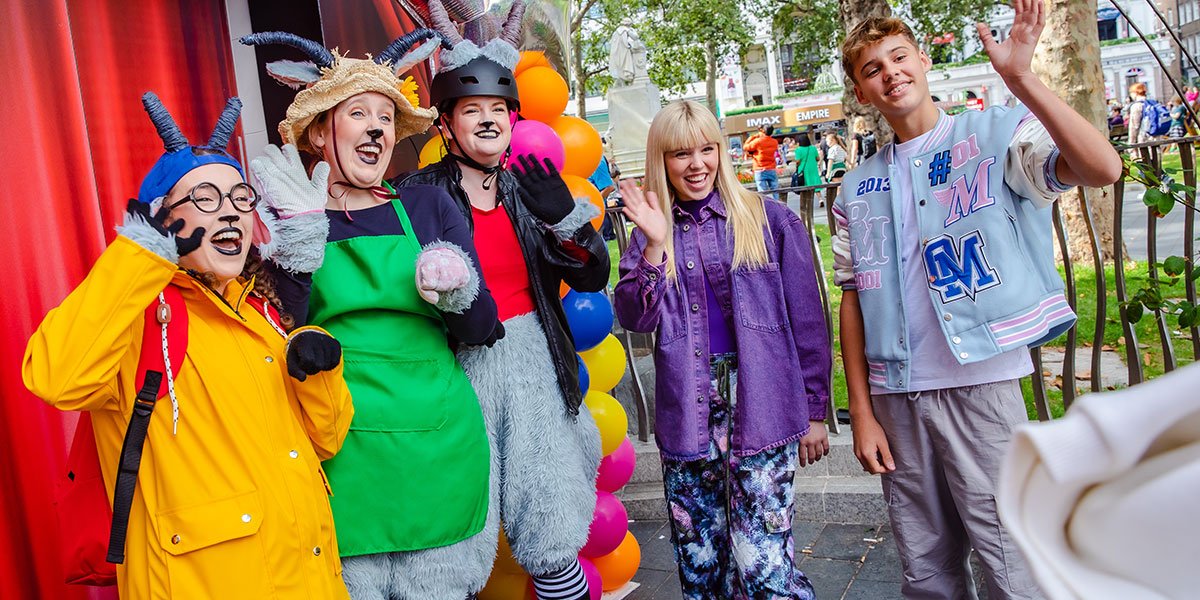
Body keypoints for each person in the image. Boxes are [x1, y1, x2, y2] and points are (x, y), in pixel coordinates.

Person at [833, 2, 1122, 598]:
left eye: (898, 56)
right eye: (870, 69)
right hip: (896, 400)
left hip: (982, 385)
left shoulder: (995, 135)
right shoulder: (856, 186)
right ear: (861, 93)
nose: (889, 73)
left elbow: (1102, 168)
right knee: (924, 565)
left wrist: (1021, 79)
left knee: (1009, 556)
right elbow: (855, 299)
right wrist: (861, 412)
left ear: (924, 60)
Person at [23, 92, 354, 599]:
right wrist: (139, 255)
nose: (227, 214)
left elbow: (325, 441)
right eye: (204, 199)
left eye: (239, 199)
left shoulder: (261, 313)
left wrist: (321, 373)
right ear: (160, 222)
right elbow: (56, 377)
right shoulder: (137, 318)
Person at [242, 29, 504, 598]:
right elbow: (274, 338)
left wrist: (458, 289)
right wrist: (296, 252)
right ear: (318, 131)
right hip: (339, 447)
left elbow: (484, 328)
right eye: (357, 112)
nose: (377, 127)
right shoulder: (285, 216)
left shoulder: (429, 204)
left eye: (385, 115)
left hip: (436, 442)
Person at [397, 1, 608, 597]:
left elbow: (594, 277)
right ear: (446, 124)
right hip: (452, 371)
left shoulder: (532, 188)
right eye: (472, 110)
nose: (488, 120)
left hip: (534, 364)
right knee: (451, 535)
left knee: (550, 521)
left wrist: (565, 220)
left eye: (498, 109)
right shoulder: (415, 198)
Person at [613, 100, 830, 599]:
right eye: (680, 153)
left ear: (722, 152)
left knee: (765, 566)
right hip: (687, 413)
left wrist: (815, 410)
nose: (696, 164)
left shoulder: (767, 220)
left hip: (763, 406)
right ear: (660, 160)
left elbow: (808, 322)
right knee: (701, 564)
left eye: (707, 149)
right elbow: (634, 317)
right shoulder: (651, 230)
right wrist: (654, 245)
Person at [743, 124, 781, 200]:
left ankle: (766, 208)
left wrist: (753, 136)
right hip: (771, 168)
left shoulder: (758, 141)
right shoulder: (774, 142)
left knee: (762, 193)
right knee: (775, 191)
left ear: (762, 131)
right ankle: (777, 206)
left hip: (759, 169)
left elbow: (745, 147)